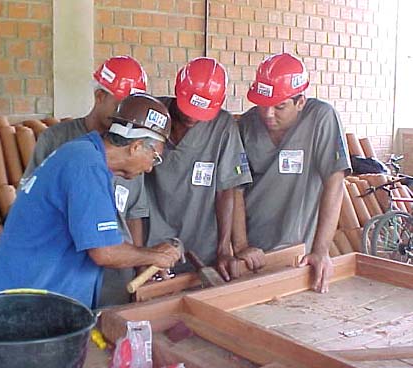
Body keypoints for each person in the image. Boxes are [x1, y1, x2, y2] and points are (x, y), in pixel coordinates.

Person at [0, 93, 182, 308]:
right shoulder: (86, 166)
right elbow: (104, 252)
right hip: (24, 304)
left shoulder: (83, 153)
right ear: (137, 146)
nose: (150, 168)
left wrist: (148, 256)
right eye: (155, 157)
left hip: (36, 300)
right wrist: (153, 255)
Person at [20, 56, 149, 306]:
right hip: (63, 275)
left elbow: (134, 213)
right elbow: (30, 204)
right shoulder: (57, 141)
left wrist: (137, 264)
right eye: (120, 106)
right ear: (100, 97)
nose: (126, 116)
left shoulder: (132, 149)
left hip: (114, 279)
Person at [233, 53, 351, 293]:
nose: (267, 114)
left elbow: (334, 182)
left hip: (299, 251)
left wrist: (321, 250)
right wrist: (241, 244)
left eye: (280, 106)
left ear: (300, 102)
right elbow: (234, 189)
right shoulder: (245, 125)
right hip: (253, 252)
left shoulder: (320, 119)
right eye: (263, 105)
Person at [144, 57, 252, 281]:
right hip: (152, 241)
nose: (192, 117)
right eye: (187, 109)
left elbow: (227, 190)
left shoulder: (222, 127)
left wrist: (224, 249)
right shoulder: (151, 115)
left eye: (201, 113)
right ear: (177, 90)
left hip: (201, 244)